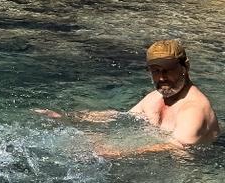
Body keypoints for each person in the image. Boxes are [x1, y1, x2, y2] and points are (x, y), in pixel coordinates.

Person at [38, 39, 219, 158]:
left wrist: (117, 153)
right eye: (155, 71)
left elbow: (177, 147)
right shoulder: (155, 97)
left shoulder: (194, 110)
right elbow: (122, 117)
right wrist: (70, 117)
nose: (162, 77)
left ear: (185, 67)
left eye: (168, 69)